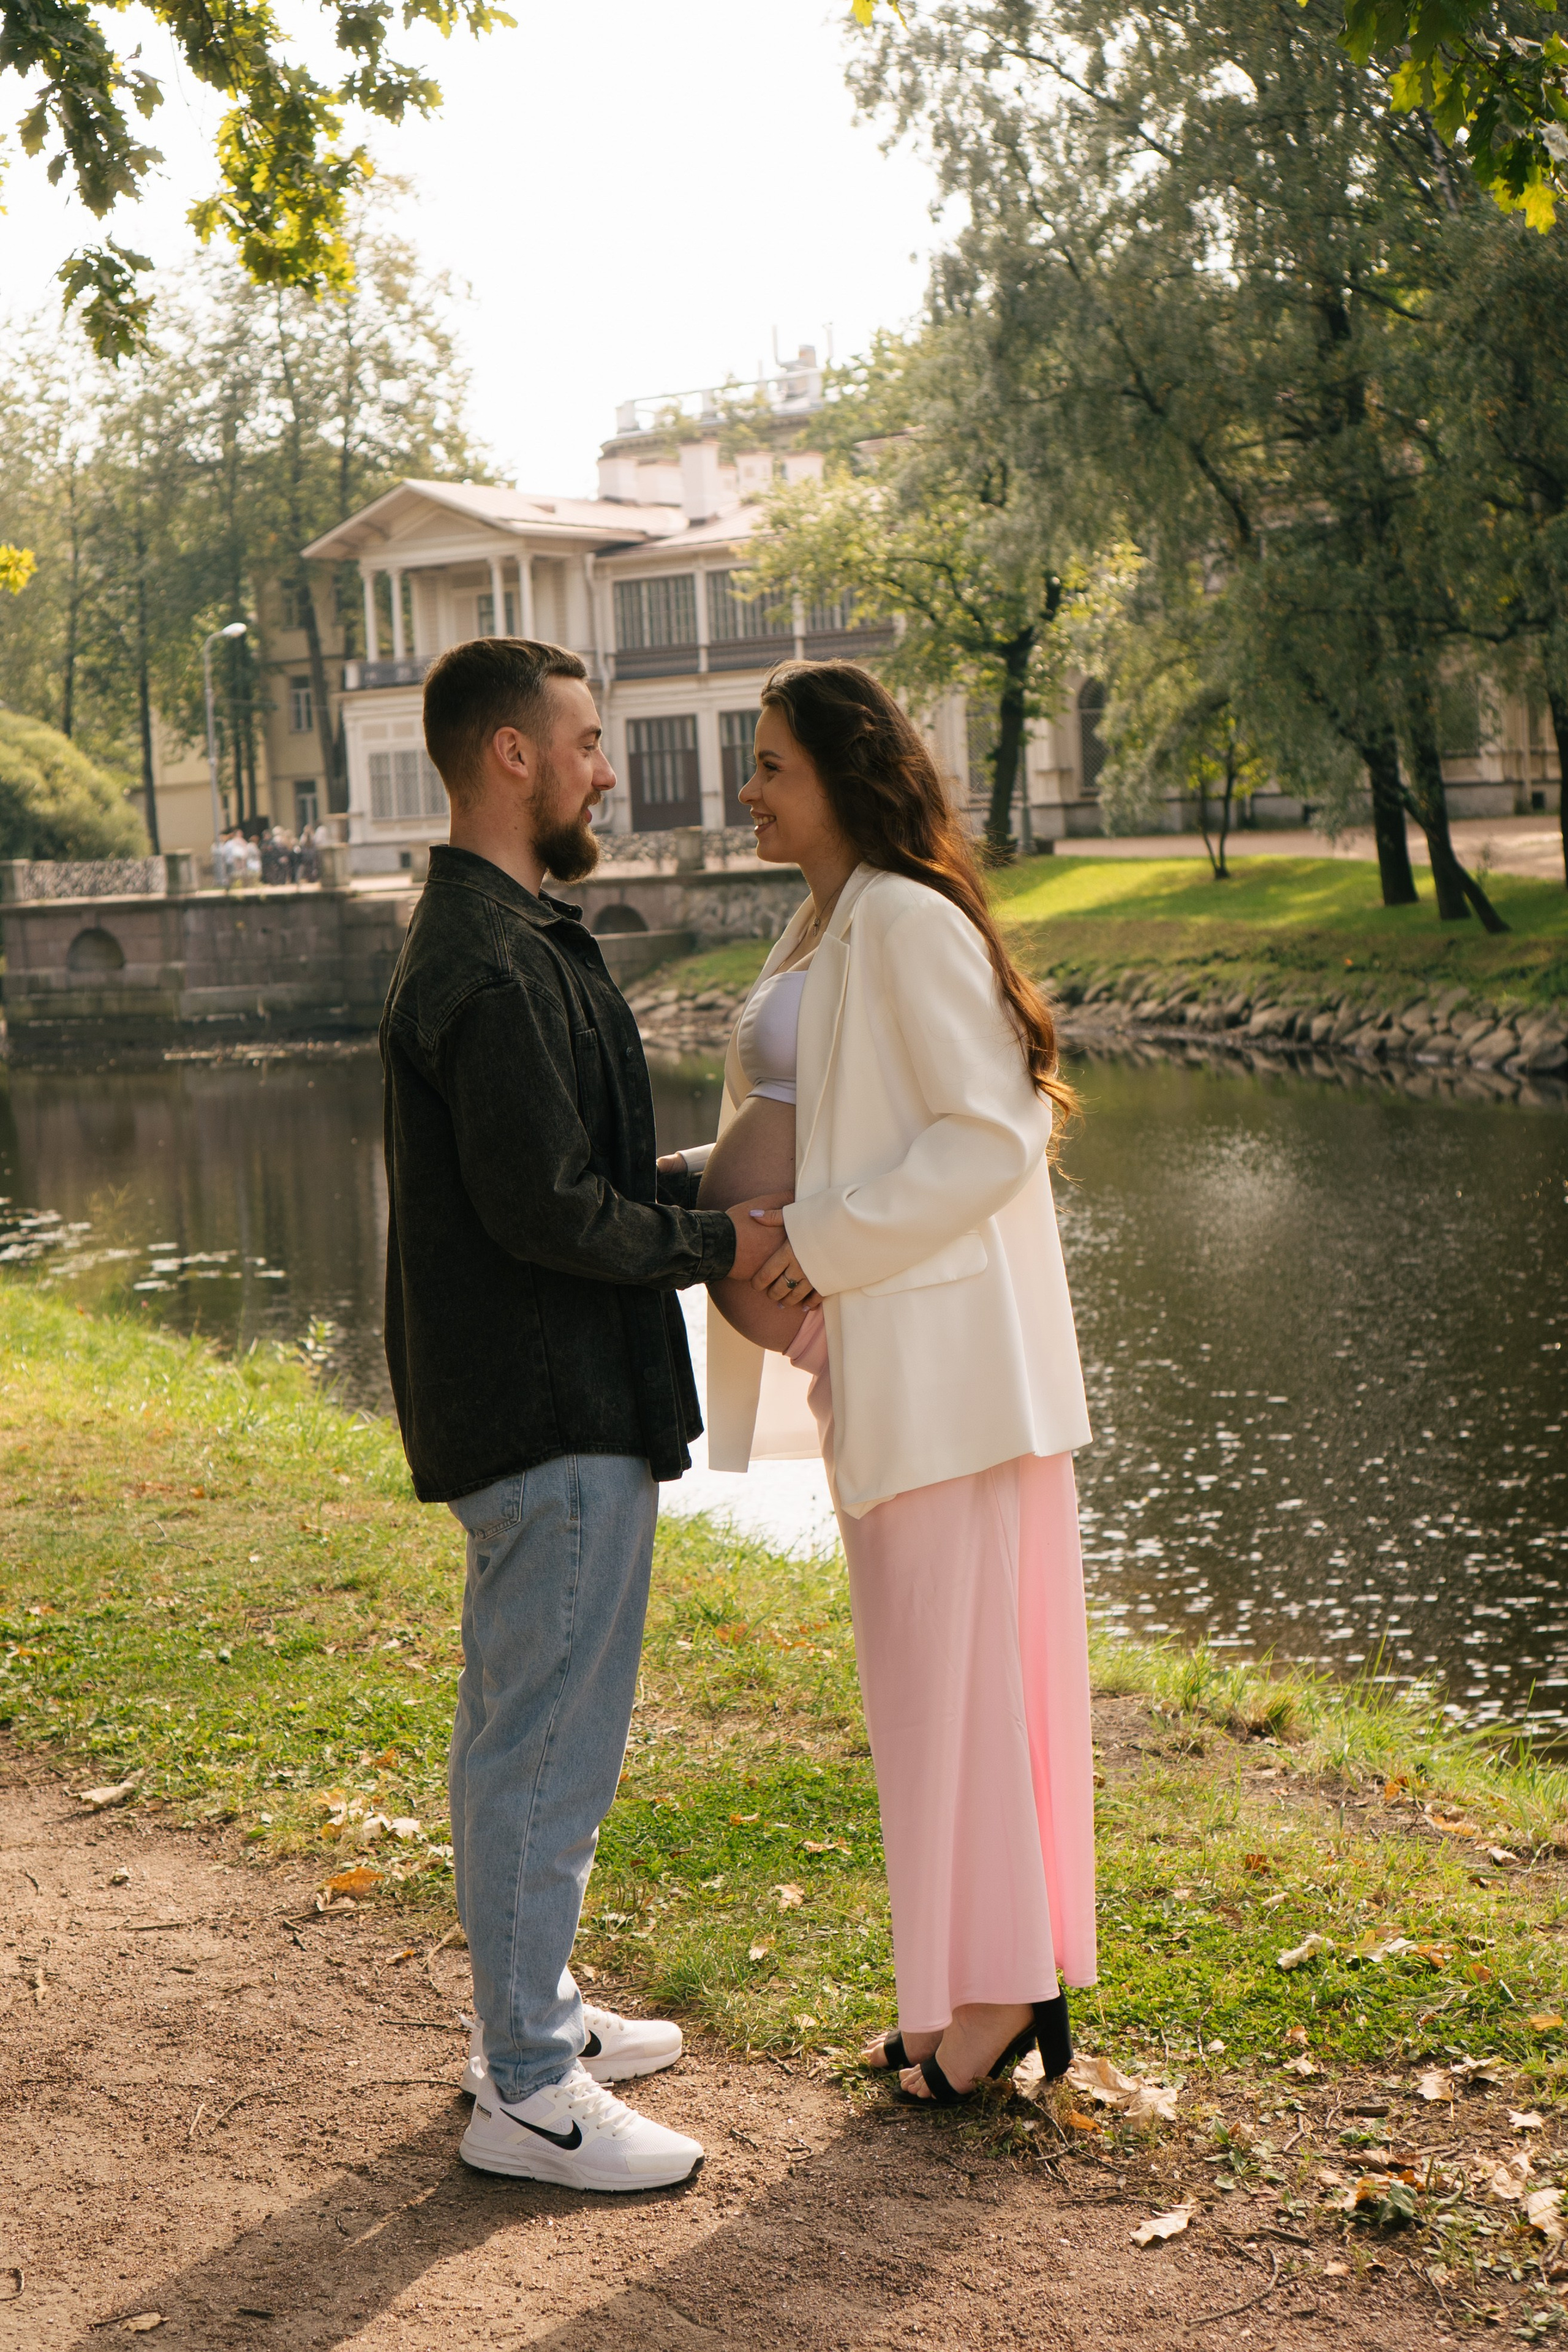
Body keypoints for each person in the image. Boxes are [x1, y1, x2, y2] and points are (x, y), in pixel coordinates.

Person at [662, 661, 1096, 2106]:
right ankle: (964, 1985)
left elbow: (991, 1135)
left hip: (942, 1366)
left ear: (842, 775)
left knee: (956, 1688)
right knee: (926, 1692)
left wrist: (819, 1249)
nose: (749, 792)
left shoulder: (903, 918)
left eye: (771, 766)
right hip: (879, 1357)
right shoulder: (828, 915)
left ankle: (991, 2000)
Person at [379, 636, 781, 2191]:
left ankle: (520, 2021)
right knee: (543, 1745)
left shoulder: (512, 936)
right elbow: (542, 1211)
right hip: (546, 1407)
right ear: (512, 758)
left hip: (557, 1395)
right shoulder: (482, 960)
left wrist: (694, 1181)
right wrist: (719, 1246)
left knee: (524, 1732)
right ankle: (529, 2087)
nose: (608, 767)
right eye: (588, 740)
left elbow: (566, 1171)